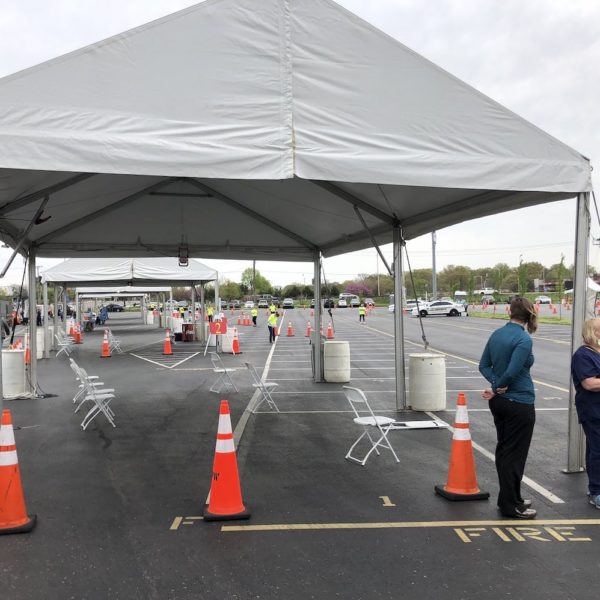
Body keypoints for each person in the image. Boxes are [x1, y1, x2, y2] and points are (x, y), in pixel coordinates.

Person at [479, 297, 538, 519]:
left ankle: (511, 498)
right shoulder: (523, 339)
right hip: (519, 403)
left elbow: (483, 365)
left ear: (509, 311)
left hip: (501, 404)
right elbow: (512, 372)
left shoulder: (497, 334)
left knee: (505, 451)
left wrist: (496, 388)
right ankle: (510, 504)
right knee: (514, 455)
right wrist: (497, 387)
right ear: (529, 314)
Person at [570, 318, 600, 510]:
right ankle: (596, 491)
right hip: (593, 410)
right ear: (594, 332)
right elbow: (589, 384)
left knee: (595, 448)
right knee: (598, 451)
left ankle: (595, 488)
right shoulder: (583, 355)